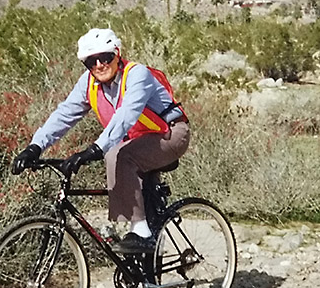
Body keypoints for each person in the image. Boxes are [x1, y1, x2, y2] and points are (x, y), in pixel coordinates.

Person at [11, 28, 190, 254]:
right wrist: (35, 147)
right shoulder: (89, 83)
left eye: (105, 57)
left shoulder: (137, 75)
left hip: (171, 134)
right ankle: (144, 269)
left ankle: (142, 233)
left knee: (119, 155)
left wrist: (95, 149)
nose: (99, 65)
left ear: (117, 54)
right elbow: (64, 115)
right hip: (137, 140)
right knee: (121, 156)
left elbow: (126, 115)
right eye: (91, 61)